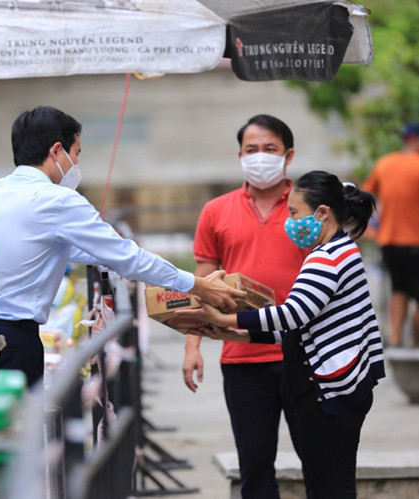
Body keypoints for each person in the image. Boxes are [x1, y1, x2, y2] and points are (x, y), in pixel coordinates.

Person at [0, 105, 243, 387]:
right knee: (17, 440)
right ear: (56, 151)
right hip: (6, 343)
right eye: (77, 153)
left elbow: (80, 251)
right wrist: (197, 286)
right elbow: (126, 257)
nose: (77, 164)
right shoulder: (59, 201)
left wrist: (132, 262)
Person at [178, 171, 385, 499]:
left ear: (322, 213)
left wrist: (226, 316)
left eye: (294, 213)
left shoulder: (327, 258)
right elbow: (300, 330)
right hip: (344, 388)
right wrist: (232, 334)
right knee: (328, 484)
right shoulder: (343, 249)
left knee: (331, 486)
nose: (289, 222)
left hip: (330, 392)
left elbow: (291, 315)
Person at [183, 114, 308, 498]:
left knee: (321, 463)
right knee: (254, 468)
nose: (260, 157)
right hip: (243, 356)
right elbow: (201, 285)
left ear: (288, 155)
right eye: (251, 150)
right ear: (240, 155)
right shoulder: (216, 211)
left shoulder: (312, 210)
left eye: (269, 149)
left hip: (307, 353)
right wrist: (193, 347)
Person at [363, 123, 419, 347]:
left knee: (399, 289)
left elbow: (362, 198)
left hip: (389, 243)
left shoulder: (384, 164)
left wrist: (370, 231)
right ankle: (418, 347)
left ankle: (395, 339)